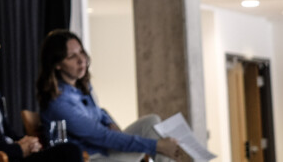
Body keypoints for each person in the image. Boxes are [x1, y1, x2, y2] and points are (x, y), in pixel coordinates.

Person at [0, 10, 83, 162]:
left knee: (68, 150)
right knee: (70, 152)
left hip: (12, 154)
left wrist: (27, 142)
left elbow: (6, 132)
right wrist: (17, 149)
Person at [36, 29, 184, 162]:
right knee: (160, 143)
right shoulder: (58, 103)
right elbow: (101, 136)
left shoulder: (81, 87)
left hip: (105, 151)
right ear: (57, 65)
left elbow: (99, 112)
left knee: (152, 121)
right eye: (72, 56)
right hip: (93, 158)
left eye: (81, 52)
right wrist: (156, 145)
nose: (81, 60)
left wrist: (109, 121)